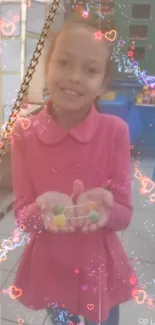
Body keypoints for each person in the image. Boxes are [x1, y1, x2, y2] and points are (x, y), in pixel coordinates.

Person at [11, 11, 137, 325]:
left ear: (102, 83)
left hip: (98, 268)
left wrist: (106, 211)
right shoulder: (24, 134)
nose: (75, 76)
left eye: (90, 69)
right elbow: (24, 217)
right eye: (64, 63)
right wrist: (42, 209)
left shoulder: (115, 132)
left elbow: (124, 213)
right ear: (47, 64)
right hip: (53, 266)